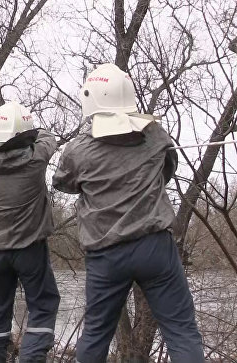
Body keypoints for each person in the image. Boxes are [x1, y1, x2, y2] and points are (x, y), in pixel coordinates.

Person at [52, 63, 203, 363]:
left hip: (106, 255)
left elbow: (63, 183)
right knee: (181, 331)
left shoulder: (78, 150)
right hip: (154, 247)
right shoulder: (155, 134)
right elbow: (167, 169)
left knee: (95, 334)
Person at [0, 102, 60, 363]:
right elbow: (48, 138)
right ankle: (32, 358)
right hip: (28, 248)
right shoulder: (36, 159)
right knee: (43, 304)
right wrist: (30, 132)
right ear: (23, 135)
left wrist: (7, 133)